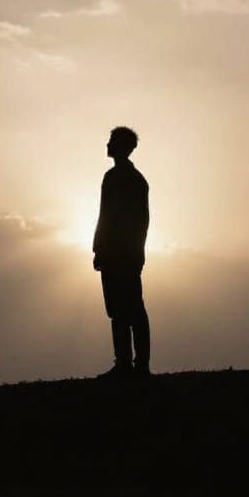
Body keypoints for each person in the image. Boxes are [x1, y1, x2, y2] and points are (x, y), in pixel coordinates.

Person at [92, 126, 151, 378]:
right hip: (116, 253)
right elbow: (105, 216)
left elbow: (138, 220)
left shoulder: (128, 180)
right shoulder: (121, 178)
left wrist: (133, 251)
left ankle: (136, 365)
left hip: (122, 254)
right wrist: (99, 248)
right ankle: (127, 363)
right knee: (118, 309)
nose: (107, 144)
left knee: (132, 309)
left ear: (121, 147)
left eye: (112, 141)